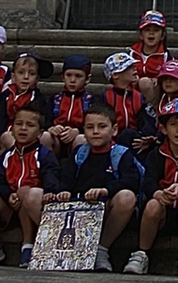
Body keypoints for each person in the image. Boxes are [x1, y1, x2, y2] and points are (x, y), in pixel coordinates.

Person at [55, 98, 144, 269]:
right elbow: (66, 177)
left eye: (102, 127)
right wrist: (64, 191)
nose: (95, 132)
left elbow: (131, 180)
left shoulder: (121, 154)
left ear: (114, 129)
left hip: (109, 208)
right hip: (81, 209)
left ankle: (101, 250)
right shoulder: (79, 153)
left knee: (127, 197)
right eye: (90, 127)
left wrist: (105, 190)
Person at [128, 96, 178, 276]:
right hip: (161, 214)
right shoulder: (155, 155)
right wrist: (159, 194)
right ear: (163, 129)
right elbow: (148, 183)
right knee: (152, 203)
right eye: (173, 124)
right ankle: (142, 253)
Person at [0, 104, 49, 265]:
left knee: (25, 191)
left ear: (40, 132)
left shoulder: (44, 154)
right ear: (11, 128)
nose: (23, 129)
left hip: (32, 206)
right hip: (9, 207)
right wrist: (8, 194)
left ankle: (28, 245)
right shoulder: (6, 155)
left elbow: (51, 180)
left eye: (30, 125)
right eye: (19, 124)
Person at [46, 55, 94, 156]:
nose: (72, 80)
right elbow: (45, 119)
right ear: (63, 77)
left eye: (78, 76)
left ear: (87, 79)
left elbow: (93, 123)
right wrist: (51, 128)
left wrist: (78, 131)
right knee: (45, 137)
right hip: (57, 138)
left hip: (77, 136)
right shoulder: (55, 99)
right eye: (69, 75)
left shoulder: (91, 100)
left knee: (82, 139)